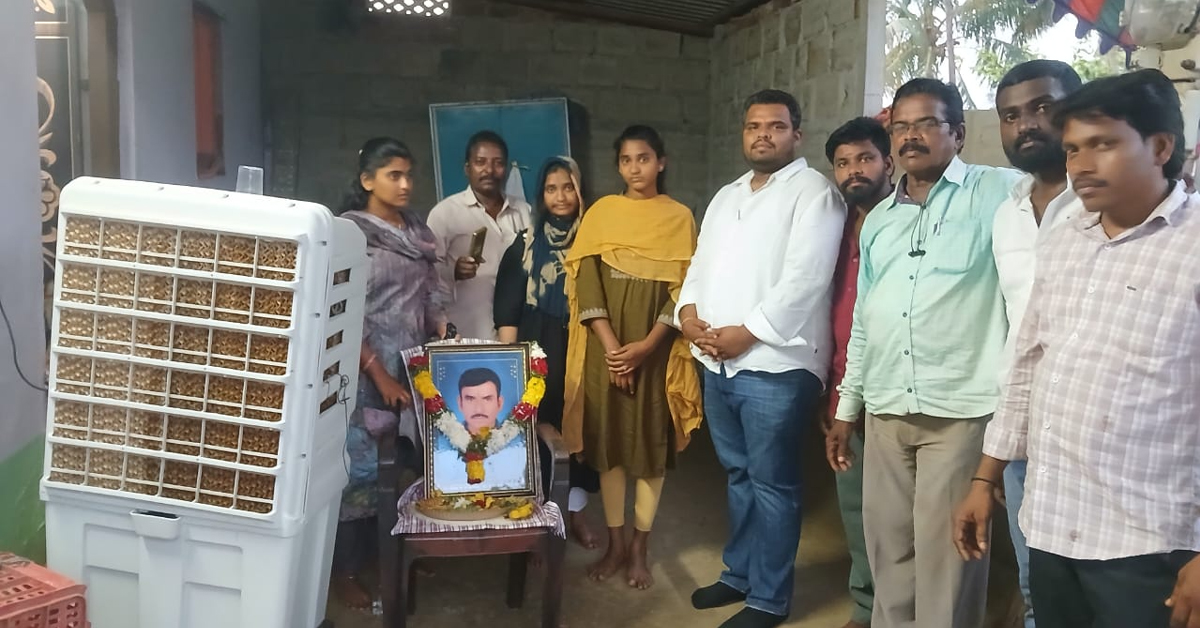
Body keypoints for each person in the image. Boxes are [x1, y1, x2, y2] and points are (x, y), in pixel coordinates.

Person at [953, 68, 1200, 628]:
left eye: (1103, 144)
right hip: (1053, 520)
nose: (1081, 165)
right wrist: (985, 478)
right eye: (1072, 149)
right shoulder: (1066, 238)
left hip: (1150, 541)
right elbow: (1028, 363)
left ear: (1161, 147)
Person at [828, 78, 1021, 628]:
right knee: (888, 548)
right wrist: (847, 407)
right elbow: (864, 321)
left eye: (927, 123)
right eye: (901, 126)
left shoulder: (998, 193)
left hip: (959, 412)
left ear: (957, 134)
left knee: (948, 559)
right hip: (886, 409)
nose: (911, 135)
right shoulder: (879, 222)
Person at [678, 89, 844, 628]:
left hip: (777, 365)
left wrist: (746, 334)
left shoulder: (814, 193)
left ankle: (769, 600)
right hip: (718, 361)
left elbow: (806, 279)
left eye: (775, 126)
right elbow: (700, 265)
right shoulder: (726, 196)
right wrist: (687, 315)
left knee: (773, 483)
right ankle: (739, 574)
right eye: (754, 126)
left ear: (797, 134)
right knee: (738, 474)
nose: (763, 135)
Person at [562, 124, 703, 591]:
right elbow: (586, 284)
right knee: (610, 452)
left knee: (649, 449)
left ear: (661, 162)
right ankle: (616, 544)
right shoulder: (601, 214)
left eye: (643, 158)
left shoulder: (680, 218)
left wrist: (644, 348)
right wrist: (613, 351)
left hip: (655, 353)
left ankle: (640, 547)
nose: (635, 168)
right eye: (626, 160)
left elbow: (684, 290)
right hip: (605, 352)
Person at [987, 60, 1085, 628]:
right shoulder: (1007, 215)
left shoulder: (1105, 201)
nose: (1025, 124)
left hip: (1093, 431)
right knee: (1034, 583)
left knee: (1107, 589)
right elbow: (1011, 326)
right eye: (1011, 115)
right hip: (1025, 429)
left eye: (1042, 107)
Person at [333, 137, 448, 610]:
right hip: (363, 369)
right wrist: (377, 373)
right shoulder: (349, 235)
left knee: (406, 460)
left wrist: (441, 328)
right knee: (359, 469)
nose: (404, 184)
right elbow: (343, 311)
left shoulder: (417, 230)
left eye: (408, 175)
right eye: (393, 175)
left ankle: (397, 548)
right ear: (367, 181)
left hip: (413, 365)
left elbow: (430, 290)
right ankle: (346, 569)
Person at [495, 155, 601, 548]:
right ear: (541, 195)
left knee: (580, 431)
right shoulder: (524, 244)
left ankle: (576, 514)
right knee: (535, 432)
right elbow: (508, 309)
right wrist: (510, 367)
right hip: (535, 350)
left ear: (580, 190)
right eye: (551, 189)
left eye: (568, 187)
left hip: (582, 347)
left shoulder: (595, 243)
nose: (561, 196)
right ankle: (537, 519)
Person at [822, 115, 896, 628]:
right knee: (855, 507)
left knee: (900, 513)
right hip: (841, 390)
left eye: (865, 158)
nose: (854, 171)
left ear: (888, 162)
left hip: (895, 388)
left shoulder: (910, 220)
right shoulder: (834, 226)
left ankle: (901, 609)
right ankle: (866, 605)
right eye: (843, 163)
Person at [427, 130, 531, 339]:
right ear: (467, 168)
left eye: (498, 163)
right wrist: (453, 271)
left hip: (516, 331)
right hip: (467, 331)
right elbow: (426, 275)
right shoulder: (445, 213)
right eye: (480, 162)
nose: (489, 170)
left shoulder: (524, 211)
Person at [431, 367, 527, 493]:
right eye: (470, 399)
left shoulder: (517, 442)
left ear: (499, 403)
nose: (479, 409)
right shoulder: (441, 444)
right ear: (460, 403)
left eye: (487, 399)